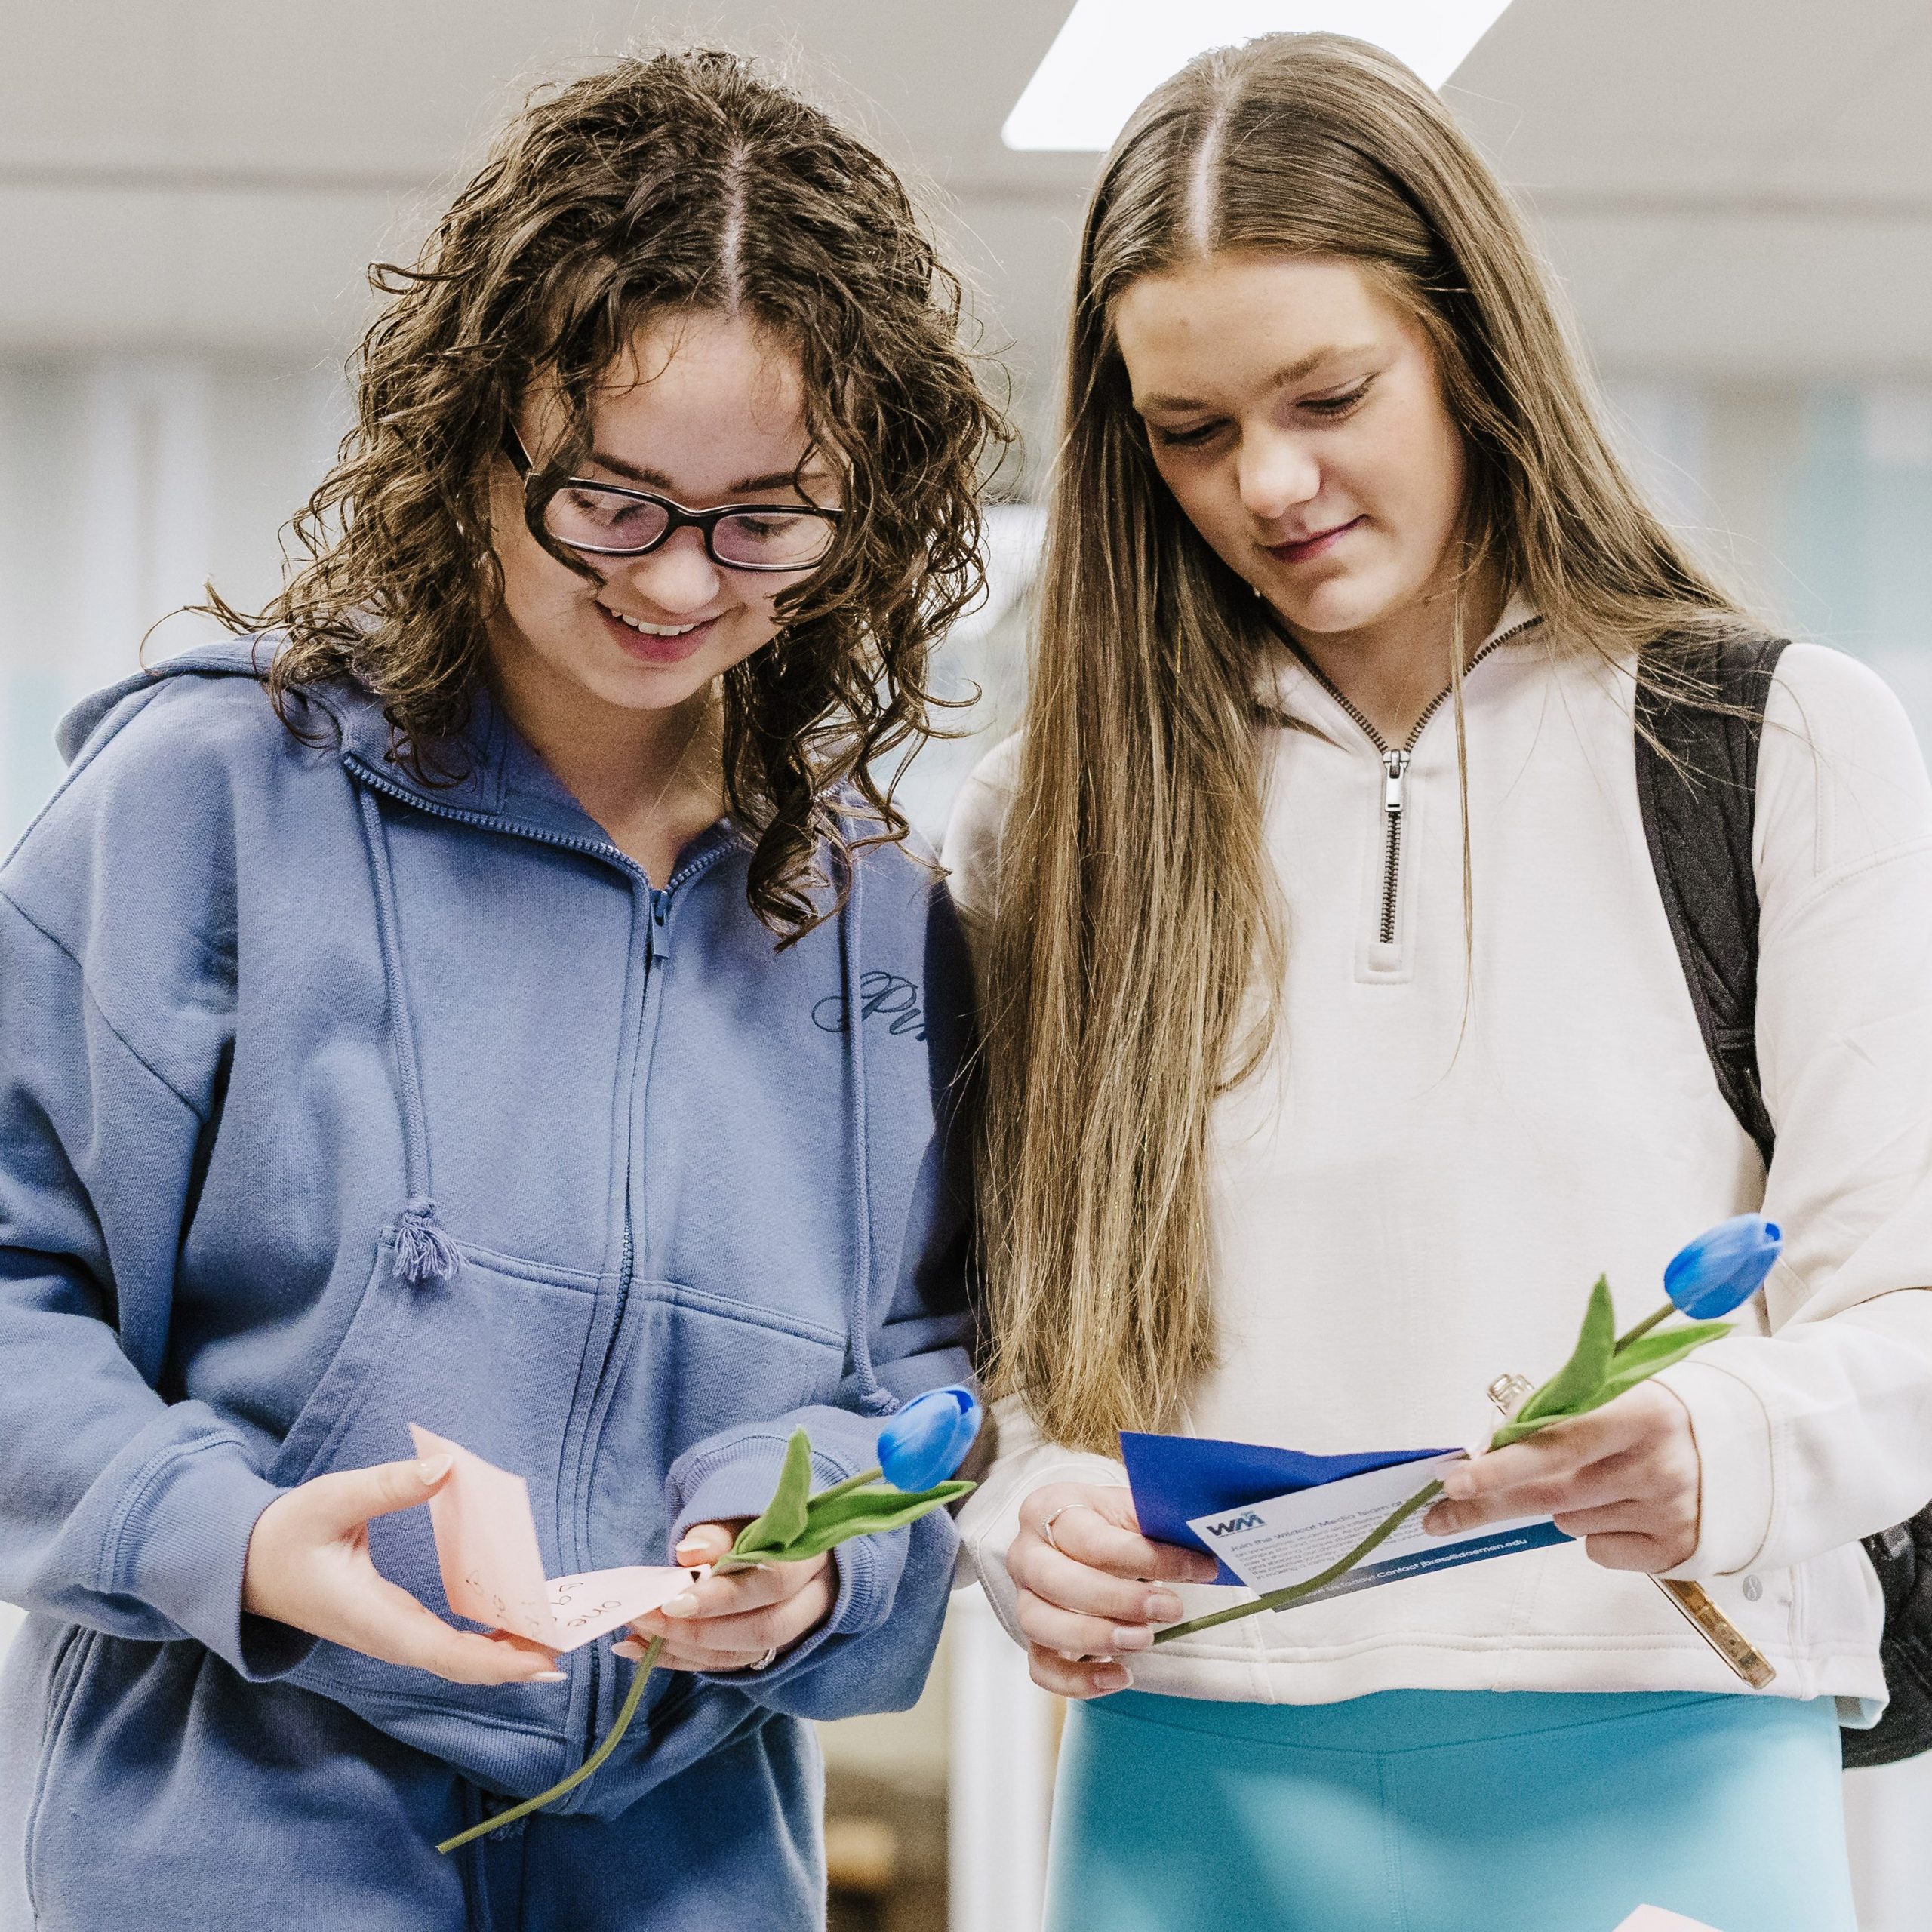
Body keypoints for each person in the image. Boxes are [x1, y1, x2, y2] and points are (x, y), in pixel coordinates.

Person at [0, 49, 1002, 1932]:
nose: (681, 581)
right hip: (233, 1823)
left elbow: (923, 1392)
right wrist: (234, 1534)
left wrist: (813, 1563)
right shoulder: (212, 806)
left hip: (689, 1851)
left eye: (766, 517)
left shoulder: (873, 906)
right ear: (477, 442)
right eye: (610, 501)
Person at [947, 32, 1932, 1932]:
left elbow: (1909, 1296)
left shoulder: (1770, 746)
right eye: (1190, 431)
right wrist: (1020, 1511)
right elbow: (980, 1343)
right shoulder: (1039, 828)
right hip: (1185, 1776)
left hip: (1656, 1737)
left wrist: (1726, 1443)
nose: (1271, 482)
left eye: (1328, 392)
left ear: (1468, 341)